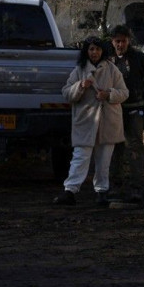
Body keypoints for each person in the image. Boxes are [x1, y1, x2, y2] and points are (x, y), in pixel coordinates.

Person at [54, 35, 129, 206]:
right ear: (86, 51)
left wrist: (108, 94)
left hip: (107, 121)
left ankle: (102, 192)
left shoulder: (112, 69)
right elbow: (66, 92)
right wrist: (80, 86)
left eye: (97, 49)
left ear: (102, 51)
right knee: (80, 157)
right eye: (91, 49)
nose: (94, 52)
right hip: (86, 122)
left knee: (104, 161)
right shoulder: (79, 70)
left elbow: (124, 92)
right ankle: (70, 191)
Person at [110, 24, 144, 203]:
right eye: (117, 41)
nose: (120, 45)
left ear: (128, 41)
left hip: (134, 109)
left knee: (134, 149)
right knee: (115, 148)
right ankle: (115, 186)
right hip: (113, 110)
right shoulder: (109, 60)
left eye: (123, 41)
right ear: (112, 42)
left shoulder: (139, 58)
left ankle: (136, 187)